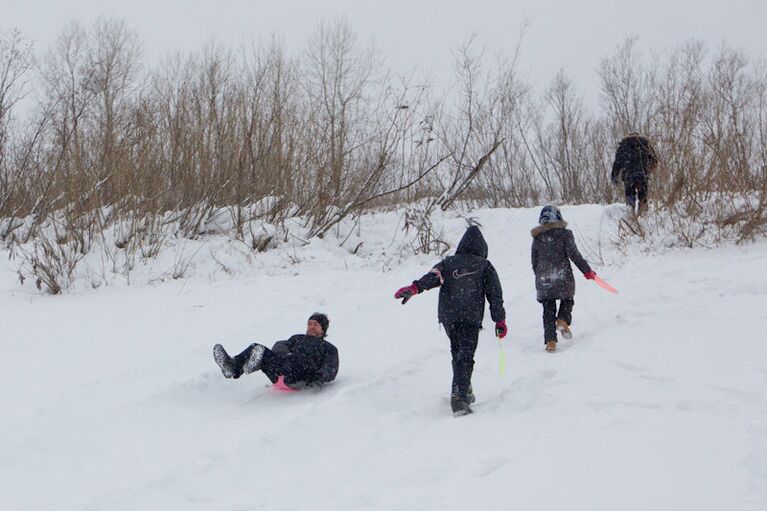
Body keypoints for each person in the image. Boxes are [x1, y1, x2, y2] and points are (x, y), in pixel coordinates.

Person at [393, 225, 506, 416]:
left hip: (450, 316)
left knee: (458, 352)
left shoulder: (448, 263)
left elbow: (432, 277)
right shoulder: (484, 266)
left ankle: (464, 390)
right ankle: (459, 397)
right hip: (470, 317)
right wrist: (499, 320)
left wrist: (414, 288)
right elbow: (495, 295)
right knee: (465, 355)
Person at [213, 313, 339, 389]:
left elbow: (331, 368)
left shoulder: (328, 347)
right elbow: (280, 344)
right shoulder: (297, 338)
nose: (311, 327)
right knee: (257, 348)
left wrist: (318, 377)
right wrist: (285, 354)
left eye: (315, 324)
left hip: (301, 373)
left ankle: (253, 364)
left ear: (323, 329)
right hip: (282, 367)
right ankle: (233, 367)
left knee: (295, 359)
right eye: (309, 323)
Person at [531, 205, 596, 353]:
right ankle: (562, 320)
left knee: (548, 309)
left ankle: (551, 342)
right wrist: (587, 271)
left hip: (544, 280)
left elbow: (534, 262)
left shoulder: (537, 239)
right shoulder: (565, 234)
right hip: (563, 277)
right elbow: (575, 255)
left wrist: (540, 274)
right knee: (567, 299)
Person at [611, 132, 658, 214]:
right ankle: (642, 215)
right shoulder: (645, 144)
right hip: (642, 175)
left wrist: (614, 177)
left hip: (628, 176)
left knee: (630, 195)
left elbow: (617, 163)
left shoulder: (623, 146)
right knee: (643, 197)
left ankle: (630, 213)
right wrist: (648, 170)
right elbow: (654, 160)